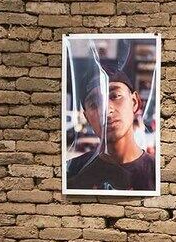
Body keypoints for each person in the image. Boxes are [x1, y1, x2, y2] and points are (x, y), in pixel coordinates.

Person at [64, 50, 157, 192]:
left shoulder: (157, 173)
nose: (106, 110)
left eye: (115, 96)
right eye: (94, 103)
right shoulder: (70, 173)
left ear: (135, 102)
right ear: (87, 117)